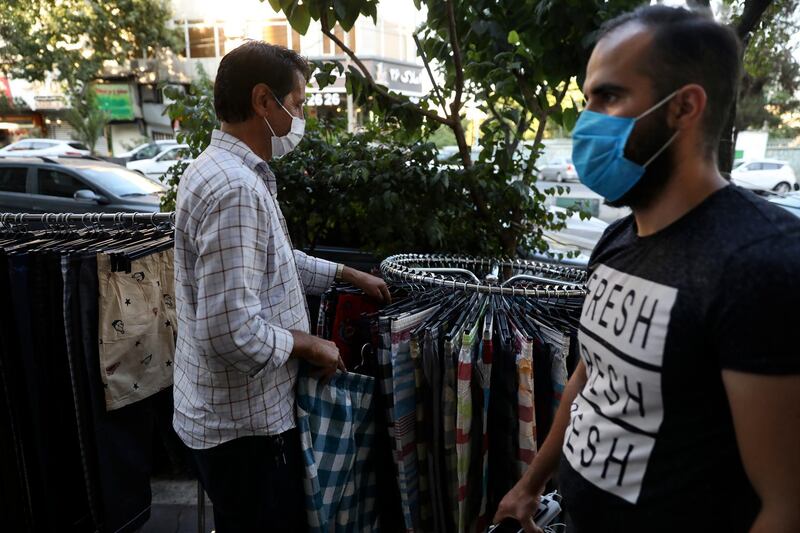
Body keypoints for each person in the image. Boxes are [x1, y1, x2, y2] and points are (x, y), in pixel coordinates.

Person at [494, 6, 800, 533]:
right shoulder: (619, 238)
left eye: (609, 97)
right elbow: (593, 373)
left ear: (684, 107)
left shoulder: (762, 263)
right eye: (588, 98)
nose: (586, 120)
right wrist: (530, 485)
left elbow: (787, 504)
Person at [173, 41, 390, 532]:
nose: (301, 116)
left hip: (222, 418)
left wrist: (345, 274)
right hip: (245, 431)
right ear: (262, 101)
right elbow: (230, 331)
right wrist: (310, 345)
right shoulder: (235, 190)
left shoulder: (217, 170)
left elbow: (271, 260)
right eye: (296, 103)